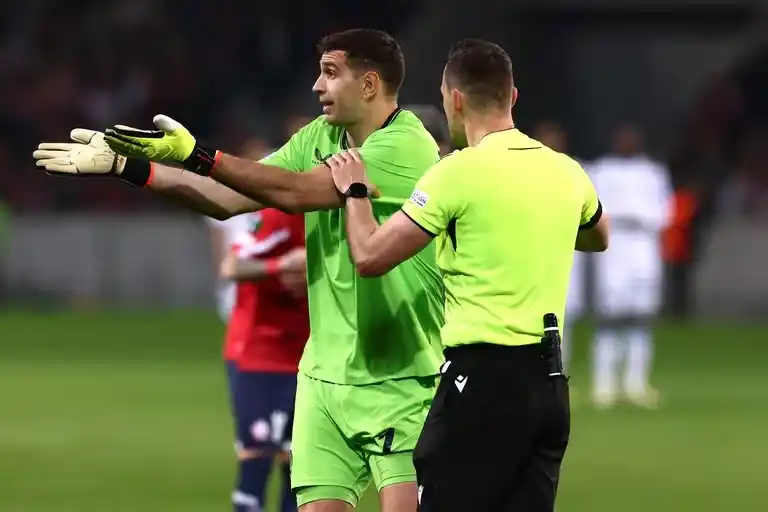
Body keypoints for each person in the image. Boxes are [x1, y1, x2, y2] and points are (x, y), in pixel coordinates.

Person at [34, 29, 444, 512]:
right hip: (322, 376)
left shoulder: (407, 147)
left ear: (370, 85)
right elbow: (229, 198)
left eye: (330, 74)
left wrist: (199, 155)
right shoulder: (321, 136)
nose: (317, 86)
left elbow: (293, 192)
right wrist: (130, 167)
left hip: (398, 376)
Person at [321, 39, 609, 512]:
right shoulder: (565, 170)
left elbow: (370, 256)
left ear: (453, 98)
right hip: (549, 384)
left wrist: (354, 189)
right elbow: (599, 236)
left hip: (482, 381)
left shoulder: (456, 173)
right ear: (512, 97)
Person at [221, 208, 307, 512]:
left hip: (311, 359)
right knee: (256, 461)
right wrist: (280, 266)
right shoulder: (277, 216)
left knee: (302, 472)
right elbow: (231, 266)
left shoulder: (346, 215)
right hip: (260, 358)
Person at [589, 124, 672, 409]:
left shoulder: (653, 172)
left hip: (644, 246)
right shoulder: (601, 169)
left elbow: (665, 211)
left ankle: (636, 383)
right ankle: (604, 385)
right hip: (614, 246)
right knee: (609, 317)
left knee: (641, 317)